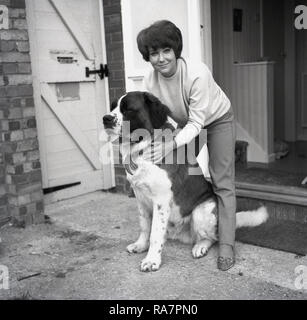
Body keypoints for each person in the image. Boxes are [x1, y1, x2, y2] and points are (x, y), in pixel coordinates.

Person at [137, 20, 236, 271]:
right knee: (182, 173)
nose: (160, 58)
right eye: (153, 53)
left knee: (221, 180)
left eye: (166, 50)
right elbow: (157, 118)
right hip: (183, 125)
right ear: (148, 57)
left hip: (216, 120)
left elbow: (197, 123)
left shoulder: (197, 73)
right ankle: (183, 221)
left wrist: (170, 144)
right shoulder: (150, 80)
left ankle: (225, 244)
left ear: (176, 49)